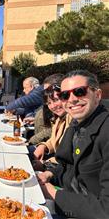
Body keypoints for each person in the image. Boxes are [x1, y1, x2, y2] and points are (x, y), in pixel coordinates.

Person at [37, 70, 109, 218]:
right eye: (65, 95)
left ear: (98, 95)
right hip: (69, 194)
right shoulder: (77, 122)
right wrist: (50, 174)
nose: (72, 99)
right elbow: (67, 165)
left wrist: (52, 193)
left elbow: (105, 210)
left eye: (79, 92)